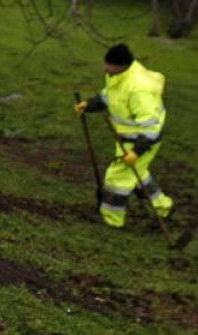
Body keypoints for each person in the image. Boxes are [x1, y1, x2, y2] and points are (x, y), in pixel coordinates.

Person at [74, 44, 173, 229]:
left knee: (117, 178)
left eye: (109, 65)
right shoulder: (118, 77)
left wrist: (137, 151)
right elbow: (109, 97)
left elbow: (150, 127)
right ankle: (163, 206)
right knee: (138, 175)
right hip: (126, 139)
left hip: (143, 142)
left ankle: (111, 220)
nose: (105, 68)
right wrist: (89, 105)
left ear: (121, 65)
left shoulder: (139, 90)